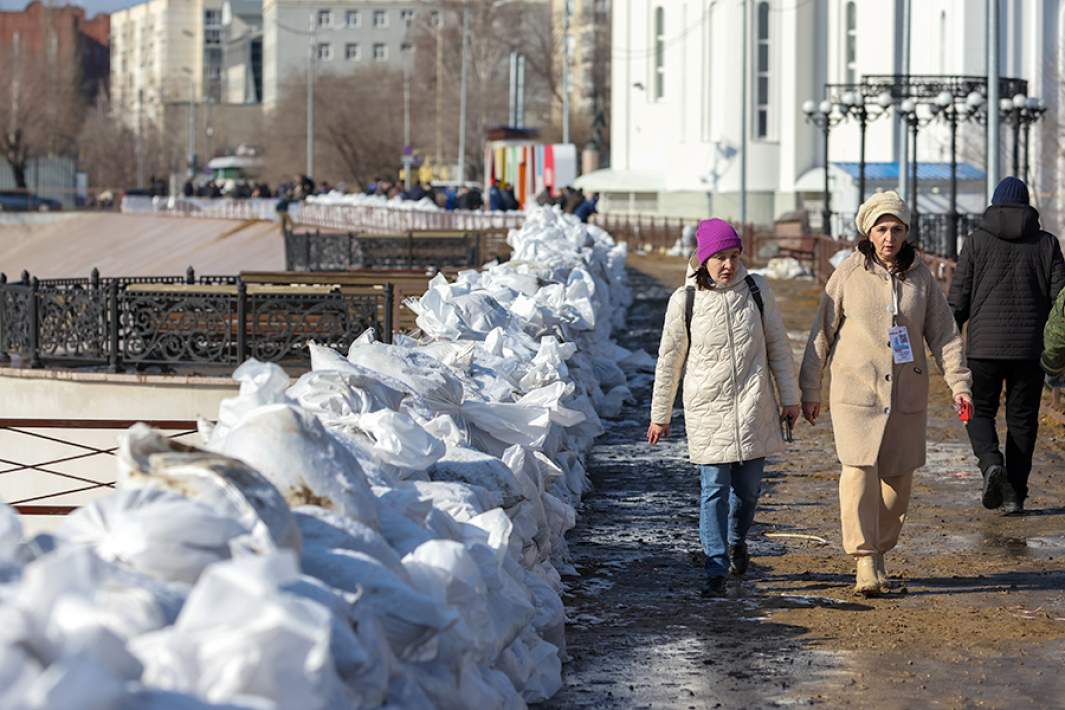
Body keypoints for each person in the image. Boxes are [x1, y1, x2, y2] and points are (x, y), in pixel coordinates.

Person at [800, 191, 972, 597]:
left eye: (896, 229)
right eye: (881, 229)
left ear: (906, 232)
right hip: (855, 391)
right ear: (868, 232)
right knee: (858, 473)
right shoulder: (848, 273)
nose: (889, 237)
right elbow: (820, 334)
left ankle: (880, 550)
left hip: (907, 394)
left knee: (897, 483)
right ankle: (864, 560)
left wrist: (959, 383)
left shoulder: (922, 277)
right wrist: (810, 388)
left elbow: (945, 335)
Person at [648, 219, 801, 598]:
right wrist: (660, 415)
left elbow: (778, 346)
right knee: (713, 487)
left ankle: (736, 540)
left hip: (754, 405)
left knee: (748, 491)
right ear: (703, 259)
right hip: (706, 407)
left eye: (733, 256)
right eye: (719, 257)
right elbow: (669, 361)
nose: (728, 265)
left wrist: (791, 397)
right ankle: (715, 565)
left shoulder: (757, 290)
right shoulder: (685, 301)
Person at [948, 177, 1065, 515]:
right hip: (1030, 349)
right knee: (1023, 421)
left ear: (995, 204)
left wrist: (945, 341)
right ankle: (1015, 494)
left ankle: (990, 465)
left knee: (977, 410)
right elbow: (1061, 301)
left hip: (983, 347)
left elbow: (958, 299)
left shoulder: (975, 242)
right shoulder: (1048, 244)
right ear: (1027, 205)